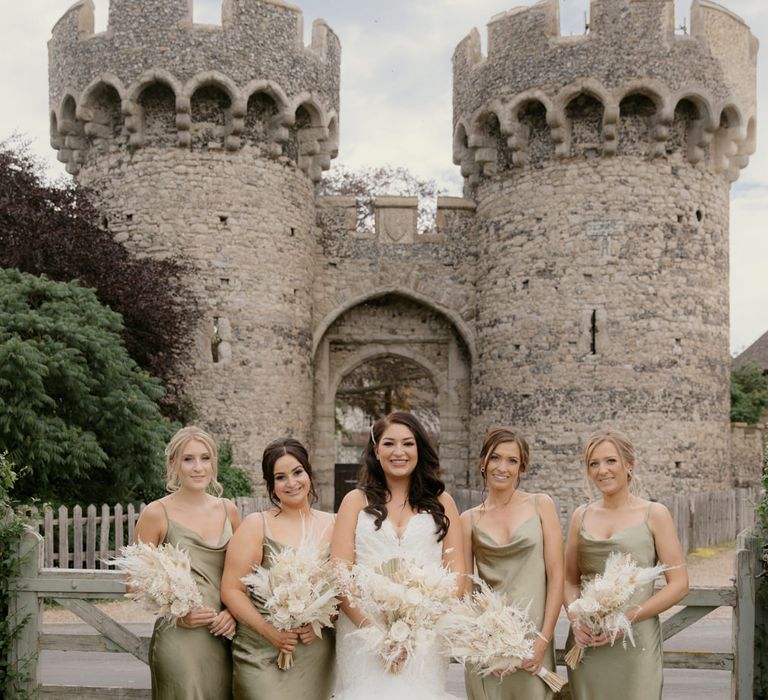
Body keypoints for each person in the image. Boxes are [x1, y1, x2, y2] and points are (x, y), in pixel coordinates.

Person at [332, 411, 465, 700]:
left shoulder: (443, 503)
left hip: (425, 637)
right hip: (363, 632)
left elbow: (457, 577)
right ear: (376, 450)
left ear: (420, 449)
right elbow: (340, 573)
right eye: (389, 444)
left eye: (408, 443)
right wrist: (377, 634)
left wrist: (418, 629)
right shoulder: (354, 501)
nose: (399, 452)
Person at [564, 428, 689, 699]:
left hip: (635, 644)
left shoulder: (654, 514)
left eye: (610, 461)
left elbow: (679, 585)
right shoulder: (580, 516)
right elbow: (570, 580)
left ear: (628, 465)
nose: (602, 470)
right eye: (593, 464)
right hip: (588, 645)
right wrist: (575, 621)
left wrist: (626, 619)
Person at [220, 438, 336, 699]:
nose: (292, 483)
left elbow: (345, 589)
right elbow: (231, 590)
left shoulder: (335, 525)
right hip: (263, 649)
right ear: (271, 485)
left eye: (297, 472)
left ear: (308, 473)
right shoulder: (255, 525)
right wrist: (269, 632)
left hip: (315, 651)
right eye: (281, 477)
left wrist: (322, 621)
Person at [134, 426, 240, 700]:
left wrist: (233, 613)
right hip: (180, 641)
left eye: (205, 458)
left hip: (226, 637)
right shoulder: (157, 513)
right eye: (188, 459)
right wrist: (178, 615)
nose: (198, 467)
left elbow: (247, 574)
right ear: (174, 464)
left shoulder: (229, 510)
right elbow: (134, 583)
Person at [460, 428, 563, 700]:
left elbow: (557, 576)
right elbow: (465, 590)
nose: (502, 468)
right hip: (487, 643)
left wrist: (542, 640)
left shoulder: (541, 505)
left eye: (512, 461)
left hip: (533, 642)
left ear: (522, 466)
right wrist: (483, 644)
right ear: (483, 462)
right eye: (495, 458)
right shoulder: (468, 519)